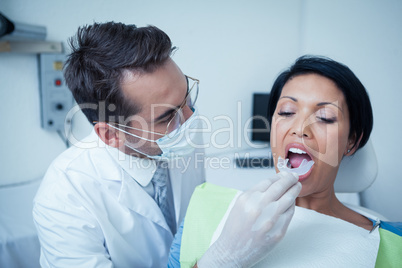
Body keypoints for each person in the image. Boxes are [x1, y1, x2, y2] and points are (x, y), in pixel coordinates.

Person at [32, 22, 301, 267]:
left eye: (187, 97)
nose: (190, 119)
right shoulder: (64, 198)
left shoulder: (182, 132)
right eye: (167, 115)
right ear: (111, 135)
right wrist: (223, 259)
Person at [169, 55, 402, 267]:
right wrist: (222, 258)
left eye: (325, 117)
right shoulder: (205, 210)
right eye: (287, 112)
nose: (300, 129)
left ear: (352, 141)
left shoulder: (393, 245)